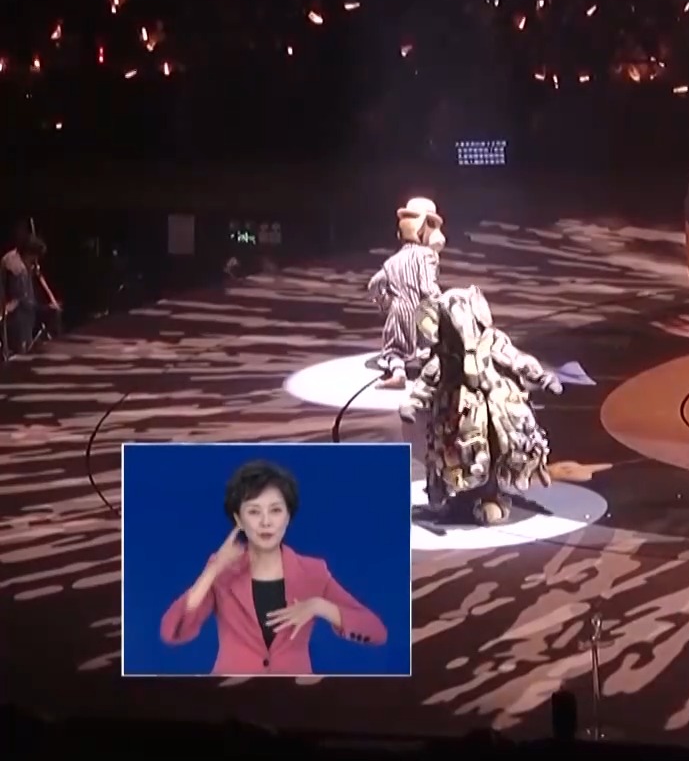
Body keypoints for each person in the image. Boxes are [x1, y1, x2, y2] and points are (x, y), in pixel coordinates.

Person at [159, 460, 387, 675]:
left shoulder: (312, 573)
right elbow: (172, 632)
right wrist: (212, 570)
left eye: (276, 510)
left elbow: (376, 631)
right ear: (238, 519)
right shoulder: (223, 572)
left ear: (288, 516)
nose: (266, 522)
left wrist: (319, 606)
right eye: (254, 511)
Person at [409, 286, 560, 525]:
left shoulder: (493, 341)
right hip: (455, 413)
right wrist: (415, 400)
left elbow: (517, 360)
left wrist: (542, 377)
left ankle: (490, 495)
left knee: (492, 452)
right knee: (454, 455)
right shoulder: (445, 355)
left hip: (493, 412)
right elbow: (430, 376)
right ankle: (460, 495)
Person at [368, 197, 444, 389]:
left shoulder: (392, 261)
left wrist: (385, 302)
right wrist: (442, 305)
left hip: (399, 308)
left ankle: (398, 374)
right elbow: (428, 288)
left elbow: (374, 284)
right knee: (429, 343)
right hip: (423, 309)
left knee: (395, 349)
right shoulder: (427, 256)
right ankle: (431, 370)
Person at [2, 235, 61, 355]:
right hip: (16, 314)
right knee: (20, 351)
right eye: (35, 256)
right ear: (30, 253)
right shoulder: (18, 269)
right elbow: (21, 298)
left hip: (20, 312)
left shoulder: (16, 258)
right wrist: (45, 308)